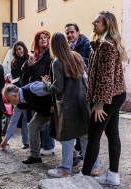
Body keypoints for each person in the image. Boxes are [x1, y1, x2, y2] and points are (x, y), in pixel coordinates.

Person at [81, 11, 127, 186]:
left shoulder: (106, 46)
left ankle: (85, 176)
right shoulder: (105, 44)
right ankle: (113, 175)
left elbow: (105, 78)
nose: (93, 22)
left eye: (97, 21)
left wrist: (99, 104)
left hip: (107, 97)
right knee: (112, 133)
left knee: (94, 134)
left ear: (106, 25)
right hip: (115, 95)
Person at [41, 33, 90, 178]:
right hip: (82, 101)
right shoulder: (77, 56)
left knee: (67, 137)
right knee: (85, 136)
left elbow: (58, 88)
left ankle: (65, 169)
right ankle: (93, 166)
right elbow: (85, 77)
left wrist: (45, 85)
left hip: (67, 105)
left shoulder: (57, 62)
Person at [65, 23, 99, 174]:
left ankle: (92, 166)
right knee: (82, 132)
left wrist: (73, 58)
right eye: (68, 33)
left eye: (72, 32)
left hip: (85, 91)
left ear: (78, 32)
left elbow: (90, 63)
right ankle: (87, 162)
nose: (70, 35)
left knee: (86, 132)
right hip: (75, 91)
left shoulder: (86, 44)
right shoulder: (69, 46)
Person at [0, 83, 53, 164]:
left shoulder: (33, 88)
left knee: (60, 132)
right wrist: (6, 140)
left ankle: (73, 156)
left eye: (8, 100)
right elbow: (13, 122)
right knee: (33, 126)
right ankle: (35, 156)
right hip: (43, 113)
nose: (9, 103)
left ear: (15, 96)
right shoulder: (19, 105)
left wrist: (55, 104)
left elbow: (55, 88)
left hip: (57, 110)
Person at [22, 30, 55, 156]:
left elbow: (52, 71)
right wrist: (29, 65)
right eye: (40, 38)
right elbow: (27, 72)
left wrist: (48, 80)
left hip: (46, 90)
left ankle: (48, 146)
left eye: (45, 37)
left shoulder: (50, 54)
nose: (43, 39)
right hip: (36, 91)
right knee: (37, 122)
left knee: (46, 120)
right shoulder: (36, 55)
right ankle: (38, 150)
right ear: (36, 41)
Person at [11, 41, 30, 149]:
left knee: (33, 116)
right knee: (24, 116)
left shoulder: (30, 59)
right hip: (21, 91)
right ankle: (25, 141)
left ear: (24, 48)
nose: (19, 51)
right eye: (17, 50)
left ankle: (36, 140)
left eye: (20, 49)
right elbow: (15, 79)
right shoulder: (14, 63)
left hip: (31, 90)